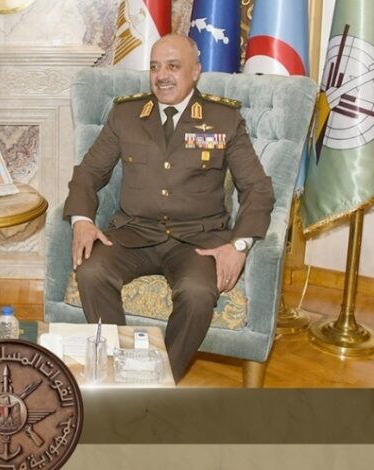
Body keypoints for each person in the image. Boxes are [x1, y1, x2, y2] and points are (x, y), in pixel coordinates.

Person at [64, 34, 275, 382]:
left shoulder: (223, 119)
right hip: (134, 234)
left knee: (197, 293)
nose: (162, 75)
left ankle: (159, 382)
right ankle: (118, 372)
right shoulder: (126, 114)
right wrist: (82, 220)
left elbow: (257, 188)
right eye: (155, 67)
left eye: (173, 66)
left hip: (197, 242)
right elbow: (89, 172)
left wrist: (239, 245)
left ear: (195, 71)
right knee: (91, 272)